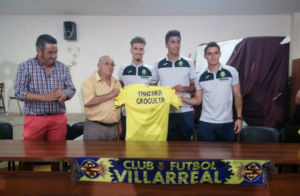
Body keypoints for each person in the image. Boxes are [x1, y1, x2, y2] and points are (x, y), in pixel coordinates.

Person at [14, 34, 76, 170]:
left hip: (58, 118)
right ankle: (24, 184)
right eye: (50, 52)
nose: (54, 56)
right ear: (39, 51)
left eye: (56, 52)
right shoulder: (25, 66)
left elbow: (71, 88)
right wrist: (45, 97)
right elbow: (19, 92)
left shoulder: (62, 67)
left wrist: (64, 95)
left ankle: (56, 184)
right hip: (34, 118)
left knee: (58, 155)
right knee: (29, 154)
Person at [177, 41, 243, 142]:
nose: (213, 56)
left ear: (220, 54)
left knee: (226, 156)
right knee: (205, 156)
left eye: (216, 53)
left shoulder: (231, 72)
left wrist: (239, 118)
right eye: (210, 53)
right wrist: (183, 98)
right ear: (205, 56)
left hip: (226, 123)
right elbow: (198, 100)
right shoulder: (199, 76)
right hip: (206, 123)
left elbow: (238, 96)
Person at [153, 30, 196, 141]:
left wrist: (184, 88)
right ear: (166, 45)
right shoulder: (158, 63)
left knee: (187, 144)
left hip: (186, 110)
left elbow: (194, 86)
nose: (176, 45)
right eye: (172, 42)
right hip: (166, 111)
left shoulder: (189, 62)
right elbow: (153, 87)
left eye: (178, 41)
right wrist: (166, 91)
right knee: (166, 144)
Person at [118, 36, 157, 140]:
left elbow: (154, 94)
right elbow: (118, 93)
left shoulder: (151, 69)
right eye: (135, 49)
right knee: (126, 147)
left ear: (144, 51)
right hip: (128, 115)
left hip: (145, 116)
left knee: (145, 146)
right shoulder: (123, 68)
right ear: (131, 50)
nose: (138, 51)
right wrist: (119, 121)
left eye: (141, 49)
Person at [81, 55, 122, 140]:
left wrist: (119, 123)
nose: (110, 67)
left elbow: (119, 104)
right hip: (96, 127)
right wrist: (110, 94)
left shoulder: (116, 82)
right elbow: (88, 102)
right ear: (98, 65)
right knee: (93, 153)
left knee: (113, 153)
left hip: (114, 128)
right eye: (106, 64)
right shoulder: (89, 81)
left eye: (112, 64)